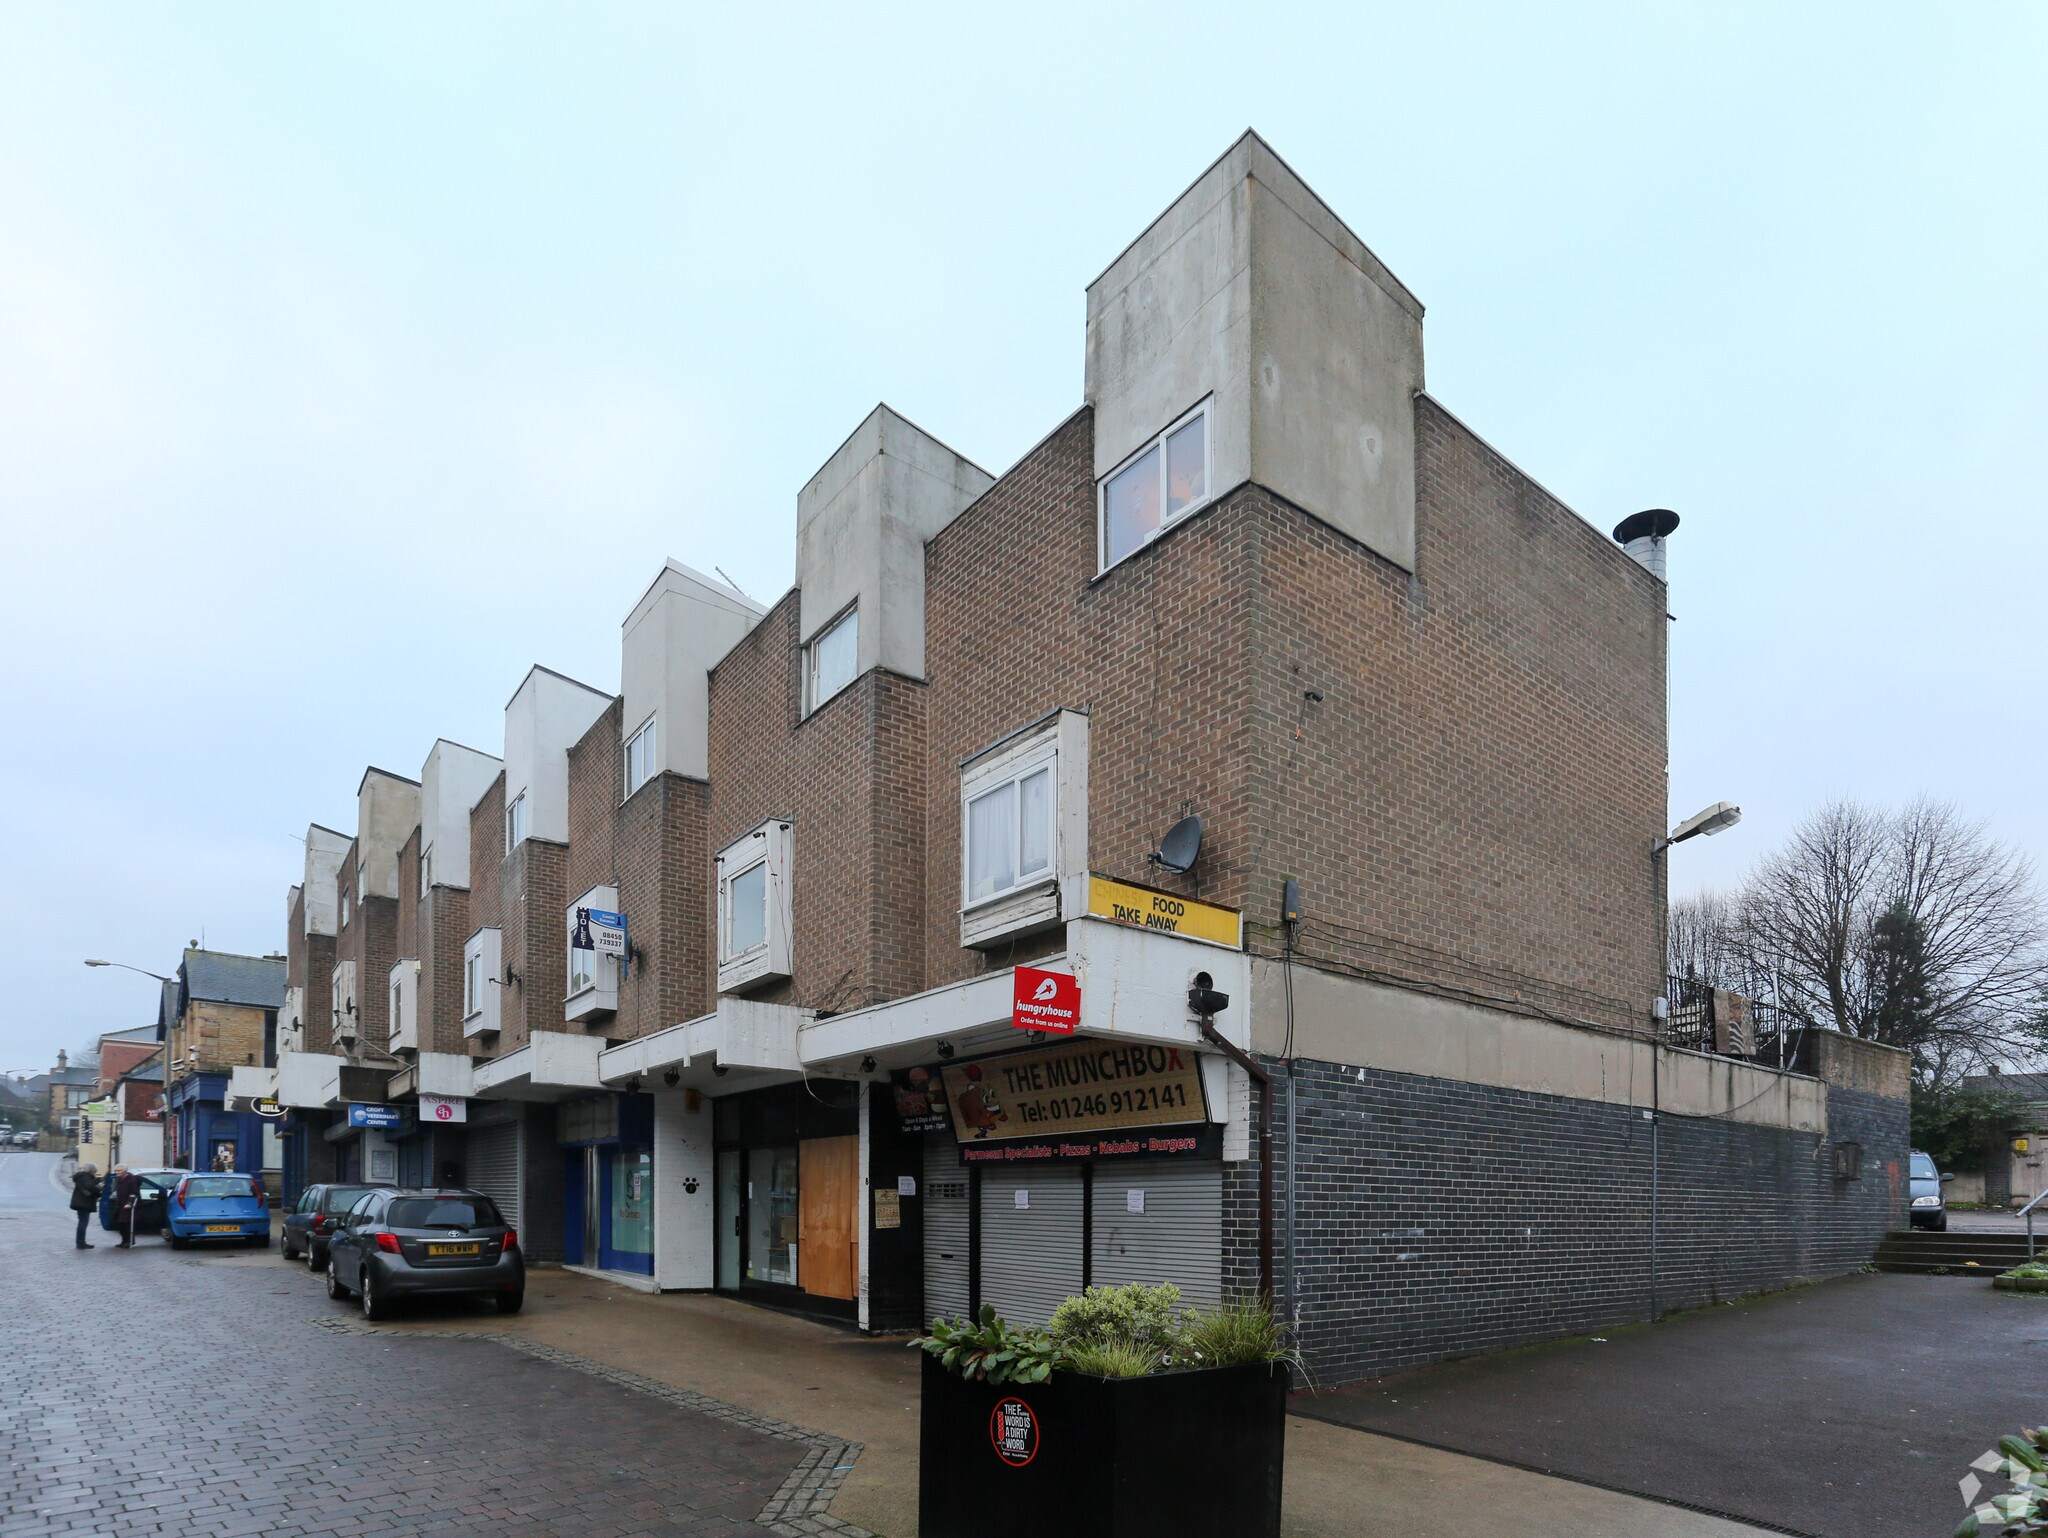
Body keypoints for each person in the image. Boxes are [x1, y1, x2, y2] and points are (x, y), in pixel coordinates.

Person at [69, 1163, 103, 1249]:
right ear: (91, 1171)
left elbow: (88, 1184)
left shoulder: (81, 1177)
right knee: (83, 1223)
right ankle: (81, 1243)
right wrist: (99, 1190)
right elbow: (90, 1186)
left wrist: (97, 1181)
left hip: (80, 1202)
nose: (94, 1173)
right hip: (84, 1203)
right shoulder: (85, 1177)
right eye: (94, 1172)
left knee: (82, 1222)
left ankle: (80, 1242)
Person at [111, 1165, 143, 1247]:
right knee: (120, 1224)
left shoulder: (132, 1180)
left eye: (119, 1171)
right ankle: (124, 1240)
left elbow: (134, 1193)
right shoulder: (118, 1179)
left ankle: (130, 1241)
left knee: (127, 1224)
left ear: (125, 1171)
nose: (117, 1172)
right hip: (120, 1204)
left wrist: (130, 1203)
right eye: (116, 1171)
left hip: (129, 1205)